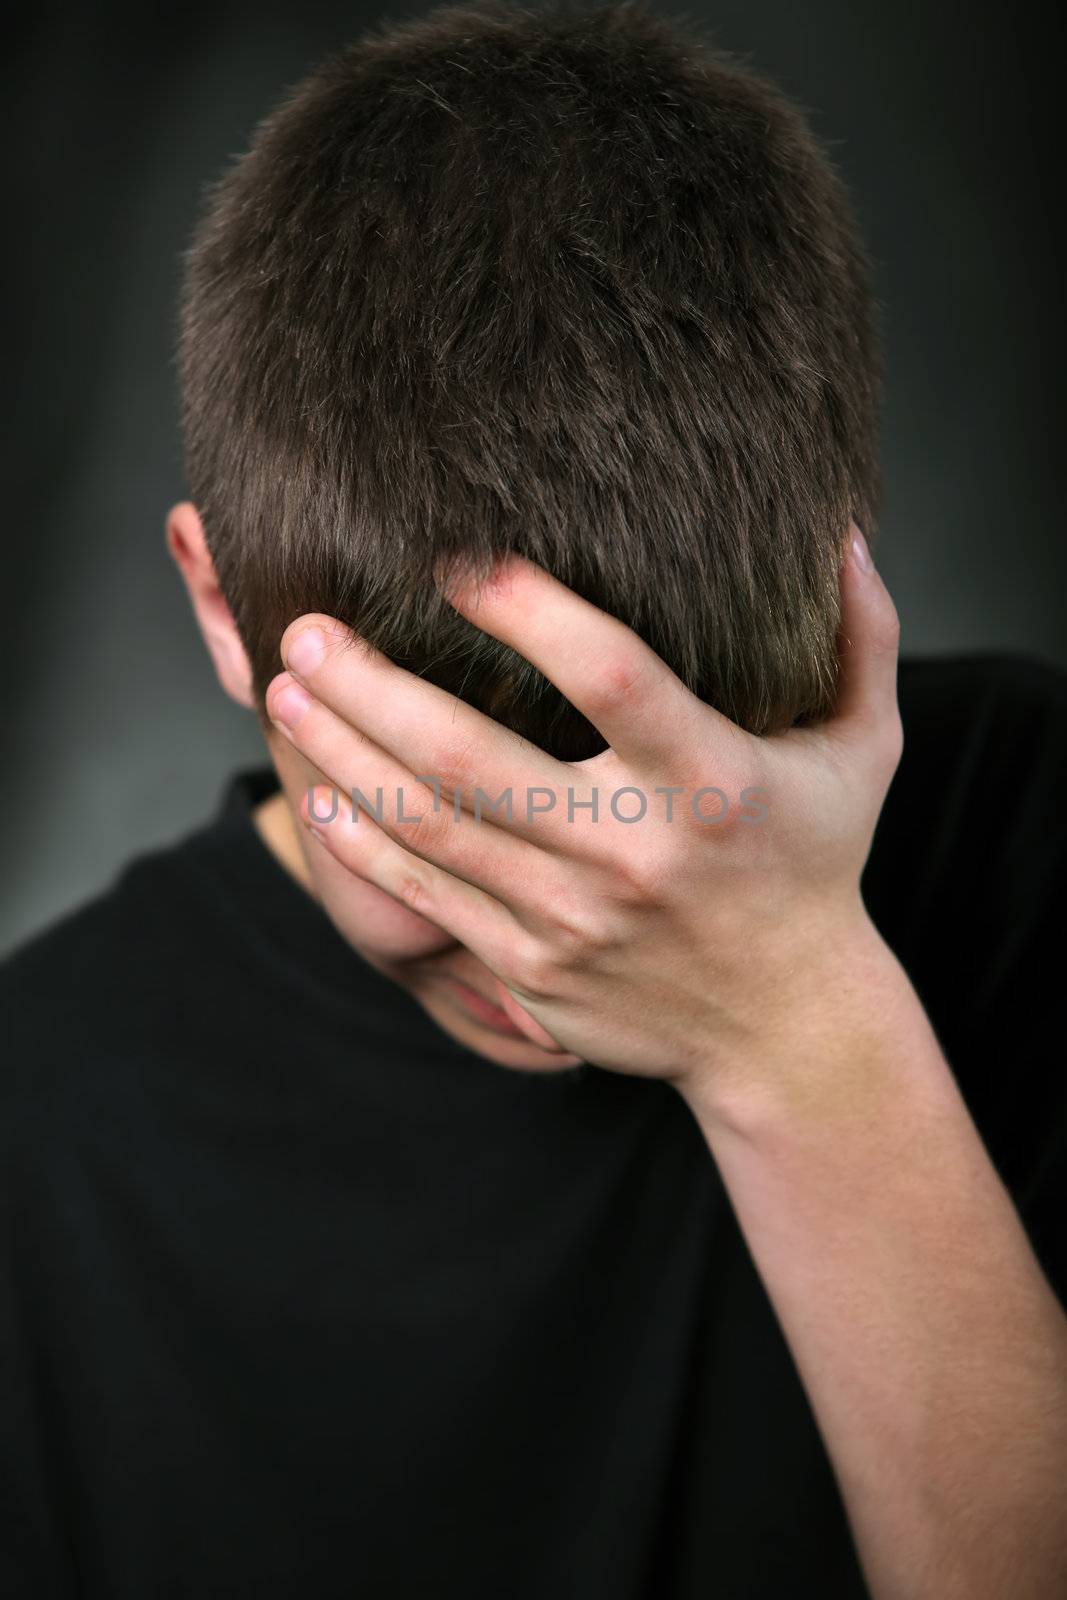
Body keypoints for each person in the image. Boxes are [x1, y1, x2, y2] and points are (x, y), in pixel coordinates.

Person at [3, 3, 1065, 1597]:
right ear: (221, 612)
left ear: (841, 592)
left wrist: (793, 1016)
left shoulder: (1036, 835)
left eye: (696, 788)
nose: (580, 943)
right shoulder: (41, 1140)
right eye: (446, 827)